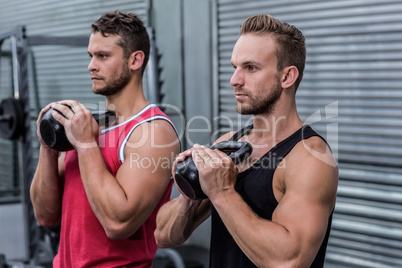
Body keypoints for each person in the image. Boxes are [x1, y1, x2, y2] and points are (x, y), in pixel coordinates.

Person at [154, 14, 338, 268]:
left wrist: (222, 192)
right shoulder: (230, 143)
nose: (234, 80)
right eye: (235, 67)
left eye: (250, 68)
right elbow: (164, 236)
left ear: (287, 77)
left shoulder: (310, 157)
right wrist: (191, 190)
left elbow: (289, 260)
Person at [30, 11, 180, 267]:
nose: (91, 66)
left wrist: (86, 145)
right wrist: (49, 148)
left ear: (135, 60)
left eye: (103, 56)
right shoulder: (87, 126)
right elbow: (45, 215)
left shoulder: (153, 132)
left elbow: (118, 223)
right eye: (91, 56)